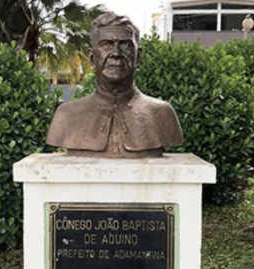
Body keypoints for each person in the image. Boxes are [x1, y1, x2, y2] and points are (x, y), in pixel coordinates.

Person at [46, 11, 183, 158]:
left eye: (125, 45)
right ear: (92, 58)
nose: (116, 53)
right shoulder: (66, 115)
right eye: (106, 45)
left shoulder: (162, 113)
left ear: (137, 57)